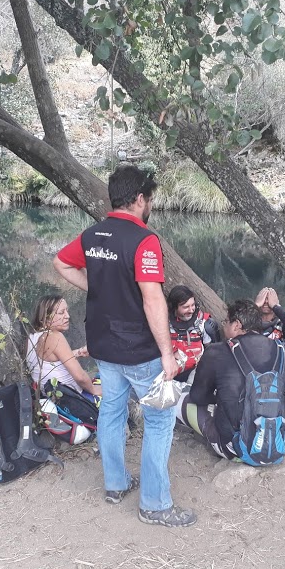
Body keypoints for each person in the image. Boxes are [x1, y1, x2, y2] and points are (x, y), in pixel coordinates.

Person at [53, 164, 196, 528]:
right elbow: (153, 299)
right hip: (139, 350)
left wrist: (100, 288)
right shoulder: (144, 240)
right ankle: (155, 505)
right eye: (150, 199)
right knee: (159, 421)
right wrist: (167, 353)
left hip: (104, 346)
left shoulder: (92, 235)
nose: (151, 205)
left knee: (112, 413)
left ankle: (116, 484)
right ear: (139, 199)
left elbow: (61, 263)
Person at [175, 299, 285, 460]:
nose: (224, 326)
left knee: (179, 397)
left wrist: (220, 397)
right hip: (281, 442)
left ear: (236, 325)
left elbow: (198, 397)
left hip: (237, 448)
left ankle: (206, 432)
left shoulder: (216, 351)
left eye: (226, 322)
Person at [25, 295, 102, 406]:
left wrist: (78, 352)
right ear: (46, 317)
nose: (67, 316)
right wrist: (94, 389)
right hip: (74, 400)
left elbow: (50, 362)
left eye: (67, 311)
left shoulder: (32, 338)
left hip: (52, 399)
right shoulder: (55, 337)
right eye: (61, 313)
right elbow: (80, 377)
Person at [167, 285, 221, 383]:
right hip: (170, 370)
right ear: (174, 307)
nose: (191, 310)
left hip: (195, 373)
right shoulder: (164, 323)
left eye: (193, 305)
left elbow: (213, 351)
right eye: (186, 307)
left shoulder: (203, 323)